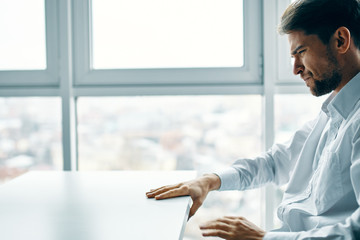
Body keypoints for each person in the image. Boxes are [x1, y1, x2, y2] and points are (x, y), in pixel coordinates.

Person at [146, 0, 360, 238]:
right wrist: (210, 181)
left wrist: (263, 238)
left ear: (341, 40)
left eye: (301, 52)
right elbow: (273, 163)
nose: (296, 69)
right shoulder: (334, 114)